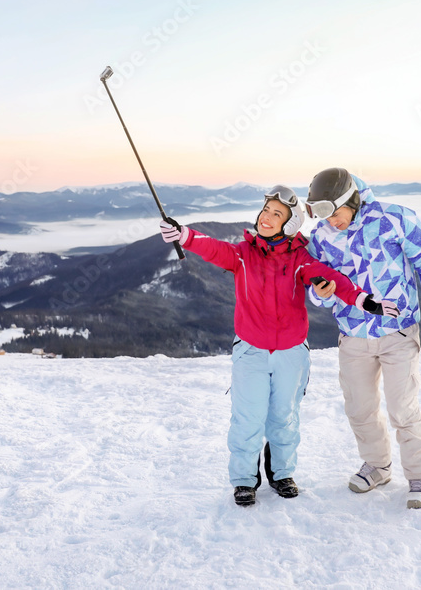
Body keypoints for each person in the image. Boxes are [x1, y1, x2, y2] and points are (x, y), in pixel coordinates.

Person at [159, 185, 399, 507]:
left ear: (290, 224)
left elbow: (331, 278)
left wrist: (362, 300)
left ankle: (282, 473)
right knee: (248, 417)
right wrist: (184, 235)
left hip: (291, 354)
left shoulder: (300, 259)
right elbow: (214, 248)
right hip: (251, 351)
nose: (267, 218)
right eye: (266, 211)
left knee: (284, 417)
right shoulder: (243, 256)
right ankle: (244, 479)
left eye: (277, 214)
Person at [304, 168, 421, 509]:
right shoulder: (322, 236)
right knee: (360, 407)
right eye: (322, 215)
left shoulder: (395, 219)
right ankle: (378, 465)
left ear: (351, 200)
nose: (332, 222)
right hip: (353, 334)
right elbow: (316, 288)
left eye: (335, 213)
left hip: (398, 331)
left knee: (403, 406)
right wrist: (324, 293)